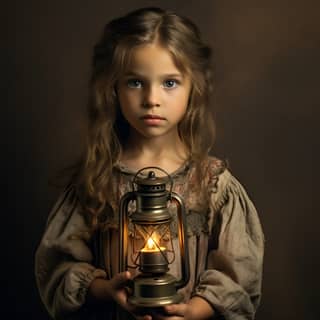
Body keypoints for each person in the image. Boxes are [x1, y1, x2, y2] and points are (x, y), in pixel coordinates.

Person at [35, 7, 264, 320]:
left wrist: (194, 310)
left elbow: (239, 271)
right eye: (135, 82)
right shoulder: (97, 180)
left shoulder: (212, 183)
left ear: (192, 89)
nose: (152, 99)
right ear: (113, 88)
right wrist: (105, 288)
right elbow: (58, 265)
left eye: (169, 83)